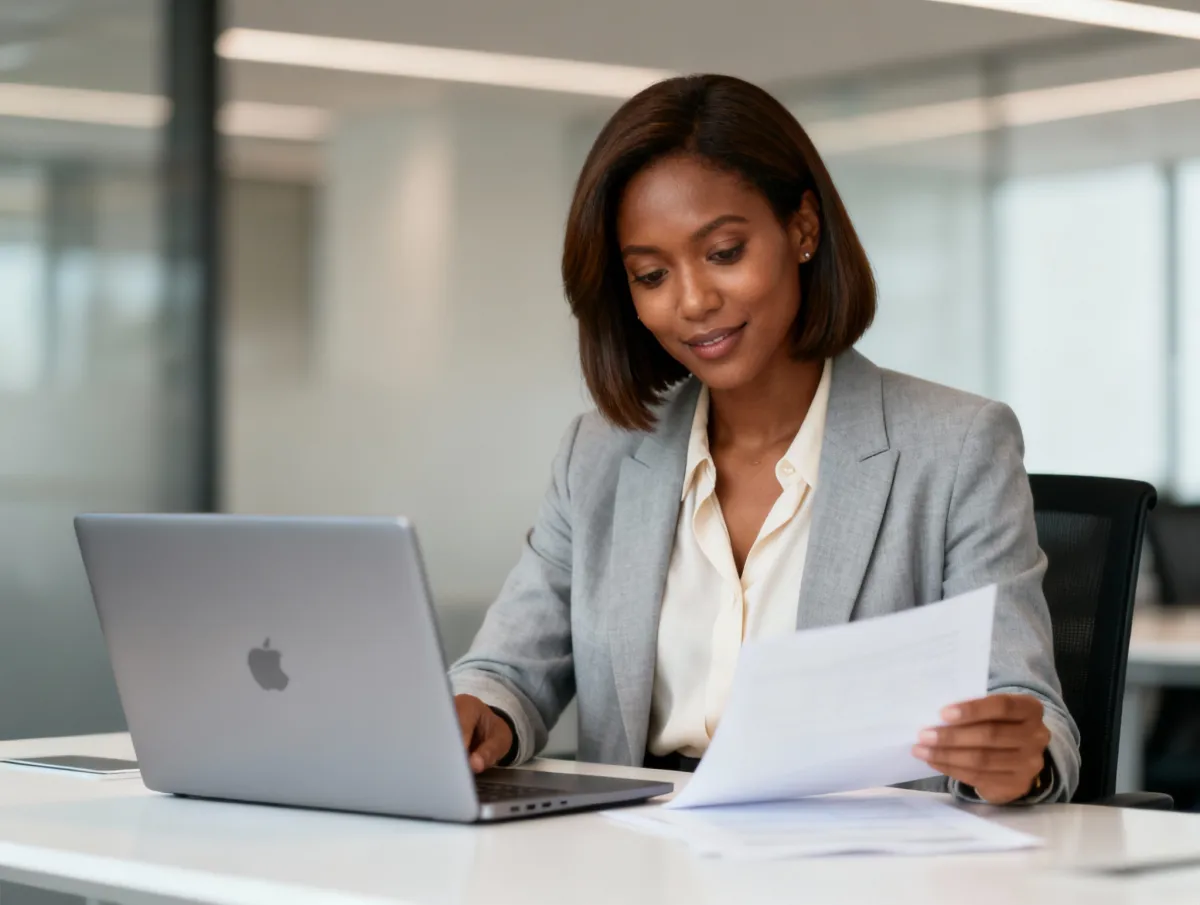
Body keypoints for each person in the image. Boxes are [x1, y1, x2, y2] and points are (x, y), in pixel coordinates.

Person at [449, 74, 1079, 804]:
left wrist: (1015, 757)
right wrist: (480, 713)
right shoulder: (599, 454)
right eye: (651, 274)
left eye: (723, 252)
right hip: (633, 852)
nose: (692, 301)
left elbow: (1028, 706)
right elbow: (508, 669)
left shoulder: (958, 445)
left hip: (857, 857)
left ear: (803, 230)